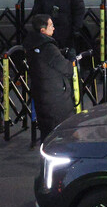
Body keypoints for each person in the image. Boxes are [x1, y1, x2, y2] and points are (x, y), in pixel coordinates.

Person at [24, 15, 76, 144]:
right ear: (43, 30)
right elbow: (67, 69)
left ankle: (46, 153)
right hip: (55, 97)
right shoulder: (48, 48)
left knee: (46, 132)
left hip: (41, 93)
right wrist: (71, 60)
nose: (53, 28)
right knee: (62, 131)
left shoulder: (32, 45)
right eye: (51, 25)